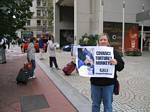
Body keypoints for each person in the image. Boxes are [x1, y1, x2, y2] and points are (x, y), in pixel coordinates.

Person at [90, 33, 124, 112]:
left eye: (105, 39)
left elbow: (121, 66)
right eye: (101, 40)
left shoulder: (113, 52)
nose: (103, 41)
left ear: (108, 41)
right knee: (95, 105)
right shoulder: (93, 52)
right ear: (98, 42)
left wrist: (116, 62)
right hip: (95, 83)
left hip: (109, 84)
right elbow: (87, 66)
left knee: (108, 106)